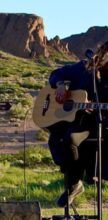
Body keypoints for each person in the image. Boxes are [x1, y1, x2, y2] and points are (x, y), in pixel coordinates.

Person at [48, 41, 108, 207]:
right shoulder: (83, 67)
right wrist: (60, 86)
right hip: (81, 125)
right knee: (68, 140)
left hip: (103, 126)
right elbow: (56, 74)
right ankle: (74, 184)